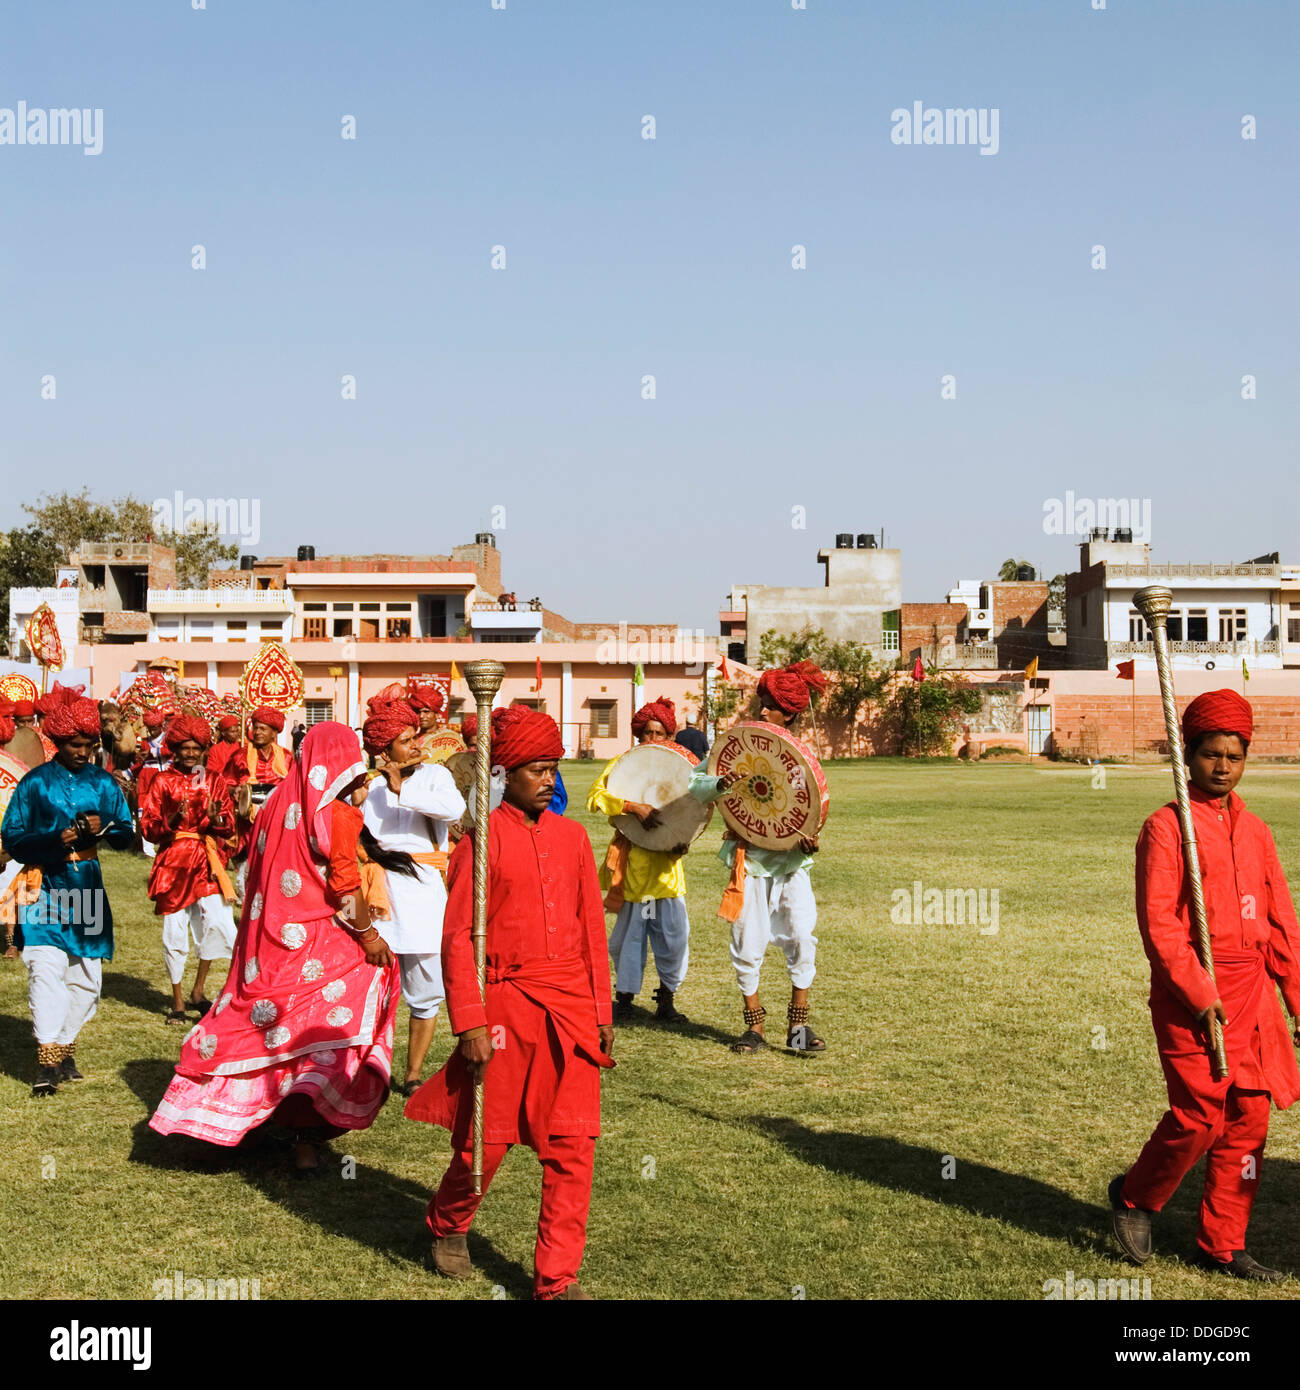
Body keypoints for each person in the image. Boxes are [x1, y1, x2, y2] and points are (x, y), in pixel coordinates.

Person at [405, 706, 613, 1300]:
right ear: (506, 773)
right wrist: (469, 1022)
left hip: (571, 1008)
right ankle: (448, 1223)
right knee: (486, 1142)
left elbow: (592, 931)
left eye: (554, 770)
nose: (549, 781)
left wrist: (602, 1012)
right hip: (504, 1007)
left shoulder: (573, 838)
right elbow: (455, 940)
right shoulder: (481, 844)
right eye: (537, 771)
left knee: (574, 1146)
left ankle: (556, 1279)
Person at [149, 722, 400, 1177]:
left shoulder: (277, 803)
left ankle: (235, 1122)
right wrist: (369, 937)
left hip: (267, 947)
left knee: (259, 1026)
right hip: (322, 947)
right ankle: (305, 1139)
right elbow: (345, 889)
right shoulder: (337, 815)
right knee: (330, 1025)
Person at [1109, 690, 1300, 1282]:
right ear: (1187, 755)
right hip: (1194, 998)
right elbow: (1161, 925)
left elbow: (1282, 924)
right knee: (1198, 1117)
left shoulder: (1259, 831)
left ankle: (1222, 1243)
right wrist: (1199, 991)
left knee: (1248, 1121)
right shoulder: (1167, 829)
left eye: (1234, 756)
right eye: (1211, 754)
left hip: (1254, 997)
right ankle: (1137, 1196)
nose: (1223, 766)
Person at [1, 684, 133, 1096]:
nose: (83, 752)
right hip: (44, 885)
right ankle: (46, 1060)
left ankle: (65, 1045)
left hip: (86, 888)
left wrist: (105, 828)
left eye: (89, 745)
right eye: (74, 744)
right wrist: (55, 839)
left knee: (87, 978)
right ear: (57, 742)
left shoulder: (104, 784)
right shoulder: (35, 783)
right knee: (45, 970)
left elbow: (128, 835)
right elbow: (13, 837)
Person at [691, 661, 827, 1055]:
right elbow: (695, 785)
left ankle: (798, 1026)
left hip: (791, 864)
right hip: (748, 860)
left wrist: (808, 840)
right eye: (761, 702)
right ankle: (755, 1027)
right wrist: (720, 782)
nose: (761, 710)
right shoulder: (739, 745)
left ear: (790, 712)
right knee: (748, 941)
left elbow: (805, 812)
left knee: (801, 936)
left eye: (769, 705)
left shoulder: (802, 758)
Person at [359, 687, 465, 1097]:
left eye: (412, 737)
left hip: (423, 894)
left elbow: (454, 810)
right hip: (378, 892)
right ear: (385, 750)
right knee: (371, 989)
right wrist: (365, 793)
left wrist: (403, 786)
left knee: (425, 991)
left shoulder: (435, 776)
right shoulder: (367, 786)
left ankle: (412, 1073)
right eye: (404, 741)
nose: (414, 744)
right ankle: (369, 1067)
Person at [588, 696, 693, 1023]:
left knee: (673, 939)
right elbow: (596, 798)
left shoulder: (680, 768)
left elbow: (696, 809)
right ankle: (625, 1000)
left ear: (669, 737)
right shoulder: (622, 764)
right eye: (646, 733)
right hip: (633, 869)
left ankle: (666, 1001)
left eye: (658, 733)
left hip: (667, 872)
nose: (651, 739)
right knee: (628, 940)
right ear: (638, 735)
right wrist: (633, 807)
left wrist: (682, 840)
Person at [139, 712, 239, 1024]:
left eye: (197, 748)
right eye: (185, 748)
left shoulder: (213, 780)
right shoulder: (162, 780)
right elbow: (149, 827)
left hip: (206, 862)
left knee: (215, 924)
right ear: (175, 748)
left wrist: (217, 817)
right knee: (174, 933)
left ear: (204, 748)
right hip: (173, 863)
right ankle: (178, 1001)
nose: (191, 753)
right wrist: (170, 820)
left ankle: (199, 990)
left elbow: (228, 825)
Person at [205, 714, 243, 781]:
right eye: (232, 732)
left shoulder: (241, 747)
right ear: (223, 733)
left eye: (237, 731)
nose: (236, 734)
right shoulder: (215, 749)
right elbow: (211, 771)